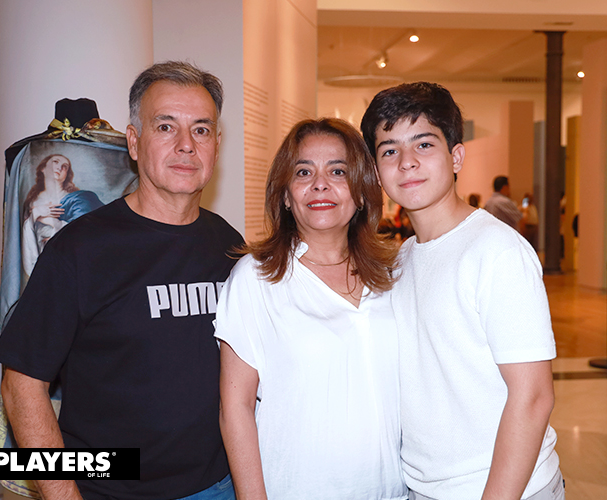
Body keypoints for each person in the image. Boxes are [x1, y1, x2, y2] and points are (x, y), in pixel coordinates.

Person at [0, 61, 243, 500]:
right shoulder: (79, 249)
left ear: (216, 145)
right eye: (166, 127)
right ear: (134, 141)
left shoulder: (229, 245)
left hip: (217, 487)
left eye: (201, 130)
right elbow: (20, 386)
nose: (186, 145)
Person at [361, 82, 563, 500]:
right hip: (424, 486)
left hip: (503, 489)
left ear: (455, 156)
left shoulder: (496, 250)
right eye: (389, 150)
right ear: (376, 170)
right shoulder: (401, 259)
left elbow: (533, 396)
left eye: (424, 144)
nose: (407, 162)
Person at [215, 118, 407, 500]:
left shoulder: (393, 274)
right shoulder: (256, 277)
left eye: (338, 171)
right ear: (286, 195)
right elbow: (235, 407)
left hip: (393, 491)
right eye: (304, 172)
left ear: (361, 191)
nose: (320, 184)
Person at [21, 153, 104, 276]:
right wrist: (36, 213)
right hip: (43, 265)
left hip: (71, 265)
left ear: (67, 175)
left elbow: (87, 233)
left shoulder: (79, 199)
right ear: (43, 168)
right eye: (55, 162)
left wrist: (48, 221)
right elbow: (27, 238)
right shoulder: (31, 202)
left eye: (65, 166)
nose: (60, 167)